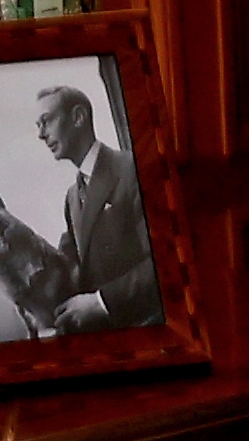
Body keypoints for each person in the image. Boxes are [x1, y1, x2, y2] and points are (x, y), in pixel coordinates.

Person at [36, 86, 164, 334]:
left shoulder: (133, 169)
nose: (41, 134)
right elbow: (67, 266)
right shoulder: (72, 198)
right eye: (37, 125)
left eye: (46, 121)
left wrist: (102, 301)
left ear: (78, 117)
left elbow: (165, 261)